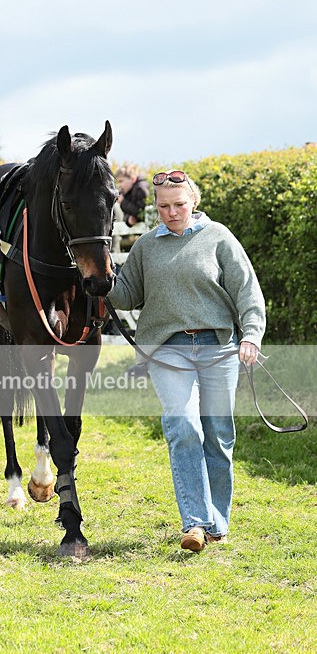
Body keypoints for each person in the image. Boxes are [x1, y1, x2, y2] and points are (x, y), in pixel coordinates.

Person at [107, 169, 266, 552]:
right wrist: (100, 276)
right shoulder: (146, 246)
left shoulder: (218, 237)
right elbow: (126, 295)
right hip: (167, 348)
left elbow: (247, 290)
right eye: (164, 206)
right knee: (184, 426)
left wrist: (251, 335)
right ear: (156, 208)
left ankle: (217, 523)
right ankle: (194, 523)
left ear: (193, 202)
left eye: (179, 204)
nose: (172, 212)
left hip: (218, 347)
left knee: (218, 435)